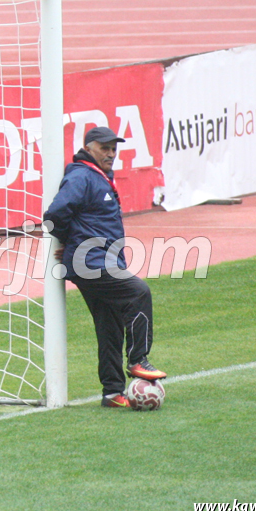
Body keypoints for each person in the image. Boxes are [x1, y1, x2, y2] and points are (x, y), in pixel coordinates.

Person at [43, 126, 166, 408]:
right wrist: (70, 242)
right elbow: (54, 214)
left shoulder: (97, 178)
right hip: (91, 262)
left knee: (109, 324)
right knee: (138, 293)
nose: (111, 153)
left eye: (114, 148)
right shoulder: (81, 176)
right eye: (104, 148)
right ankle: (138, 360)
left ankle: (112, 392)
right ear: (89, 148)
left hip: (100, 260)